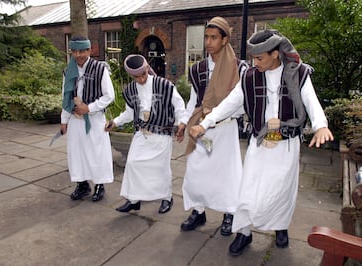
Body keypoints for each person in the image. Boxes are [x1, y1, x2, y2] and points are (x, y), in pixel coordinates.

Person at [189, 29, 334, 256]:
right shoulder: (249, 77)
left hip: (286, 146)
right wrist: (205, 124)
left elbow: (311, 101)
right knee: (248, 191)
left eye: (260, 58)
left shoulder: (298, 73)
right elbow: (230, 103)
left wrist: (320, 125)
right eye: (253, 58)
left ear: (275, 53)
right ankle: (244, 233)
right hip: (259, 144)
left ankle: (280, 226)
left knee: (281, 191)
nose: (254, 63)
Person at [180, 16, 247, 236]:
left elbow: (240, 102)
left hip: (225, 128)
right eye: (206, 37)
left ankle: (229, 214)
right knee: (196, 171)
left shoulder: (240, 68)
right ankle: (198, 212)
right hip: (199, 127)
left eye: (214, 37)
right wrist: (184, 122)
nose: (208, 42)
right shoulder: (197, 68)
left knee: (227, 174)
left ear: (225, 39)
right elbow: (194, 100)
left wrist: (215, 116)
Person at [105, 54, 187, 214]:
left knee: (160, 168)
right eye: (136, 76)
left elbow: (178, 104)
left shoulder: (164, 85)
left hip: (162, 133)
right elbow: (129, 113)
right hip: (142, 133)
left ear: (147, 69)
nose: (141, 79)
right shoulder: (129, 90)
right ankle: (134, 200)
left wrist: (182, 123)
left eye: (143, 74)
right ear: (131, 75)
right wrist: (115, 122)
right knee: (133, 164)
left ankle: (166, 198)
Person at [61, 35, 115, 202]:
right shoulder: (68, 71)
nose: (78, 55)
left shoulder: (100, 69)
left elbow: (109, 96)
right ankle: (82, 184)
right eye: (74, 51)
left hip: (94, 119)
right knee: (76, 153)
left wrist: (89, 108)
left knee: (97, 153)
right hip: (75, 120)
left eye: (82, 51)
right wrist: (64, 120)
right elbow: (65, 96)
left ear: (89, 50)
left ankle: (99, 185)